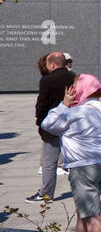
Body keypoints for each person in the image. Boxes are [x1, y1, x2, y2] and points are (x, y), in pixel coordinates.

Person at [39, 74, 101, 232]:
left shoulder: (74, 113)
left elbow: (48, 124)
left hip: (84, 166)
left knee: (91, 216)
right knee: (85, 210)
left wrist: (64, 105)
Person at [28, 51, 75, 203]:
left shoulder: (47, 80)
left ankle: (46, 193)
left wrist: (40, 122)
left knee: (50, 162)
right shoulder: (74, 77)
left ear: (52, 64)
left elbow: (42, 103)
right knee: (74, 159)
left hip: (52, 124)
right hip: (71, 123)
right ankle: (79, 188)